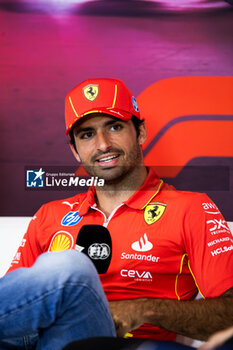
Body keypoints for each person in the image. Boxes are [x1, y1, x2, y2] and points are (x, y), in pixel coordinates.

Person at [4, 79, 233, 347]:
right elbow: (17, 306)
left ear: (141, 132)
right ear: (75, 151)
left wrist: (141, 309)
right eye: (87, 134)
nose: (102, 145)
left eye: (114, 127)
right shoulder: (49, 215)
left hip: (121, 342)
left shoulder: (190, 208)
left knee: (70, 265)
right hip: (37, 340)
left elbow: (229, 314)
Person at [0, 250, 116, 350]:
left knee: (75, 274)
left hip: (90, 323)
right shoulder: (42, 226)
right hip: (30, 328)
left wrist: (134, 308)